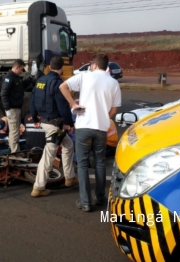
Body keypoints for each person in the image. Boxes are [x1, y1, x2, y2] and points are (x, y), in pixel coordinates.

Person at [59, 53, 122, 212]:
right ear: (106, 67)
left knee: (82, 164)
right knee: (100, 162)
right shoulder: (113, 83)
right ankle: (100, 197)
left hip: (83, 126)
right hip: (101, 128)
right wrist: (103, 117)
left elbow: (63, 86)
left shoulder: (84, 76)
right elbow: (114, 109)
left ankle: (85, 201)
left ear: (94, 65)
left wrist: (74, 104)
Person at [30, 56, 79, 197]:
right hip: (55, 124)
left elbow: (33, 101)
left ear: (49, 67)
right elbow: (63, 107)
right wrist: (69, 123)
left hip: (45, 122)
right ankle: (38, 187)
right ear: (62, 68)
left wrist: (34, 118)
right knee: (48, 156)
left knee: (68, 145)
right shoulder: (58, 83)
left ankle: (69, 177)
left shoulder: (40, 81)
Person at [1, 59, 36, 153]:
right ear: (16, 67)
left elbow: (22, 86)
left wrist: (31, 76)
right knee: (14, 132)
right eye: (21, 69)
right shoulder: (9, 78)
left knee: (15, 130)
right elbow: (4, 94)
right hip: (12, 109)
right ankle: (15, 153)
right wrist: (7, 109)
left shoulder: (16, 78)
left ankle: (14, 151)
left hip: (16, 108)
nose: (21, 71)